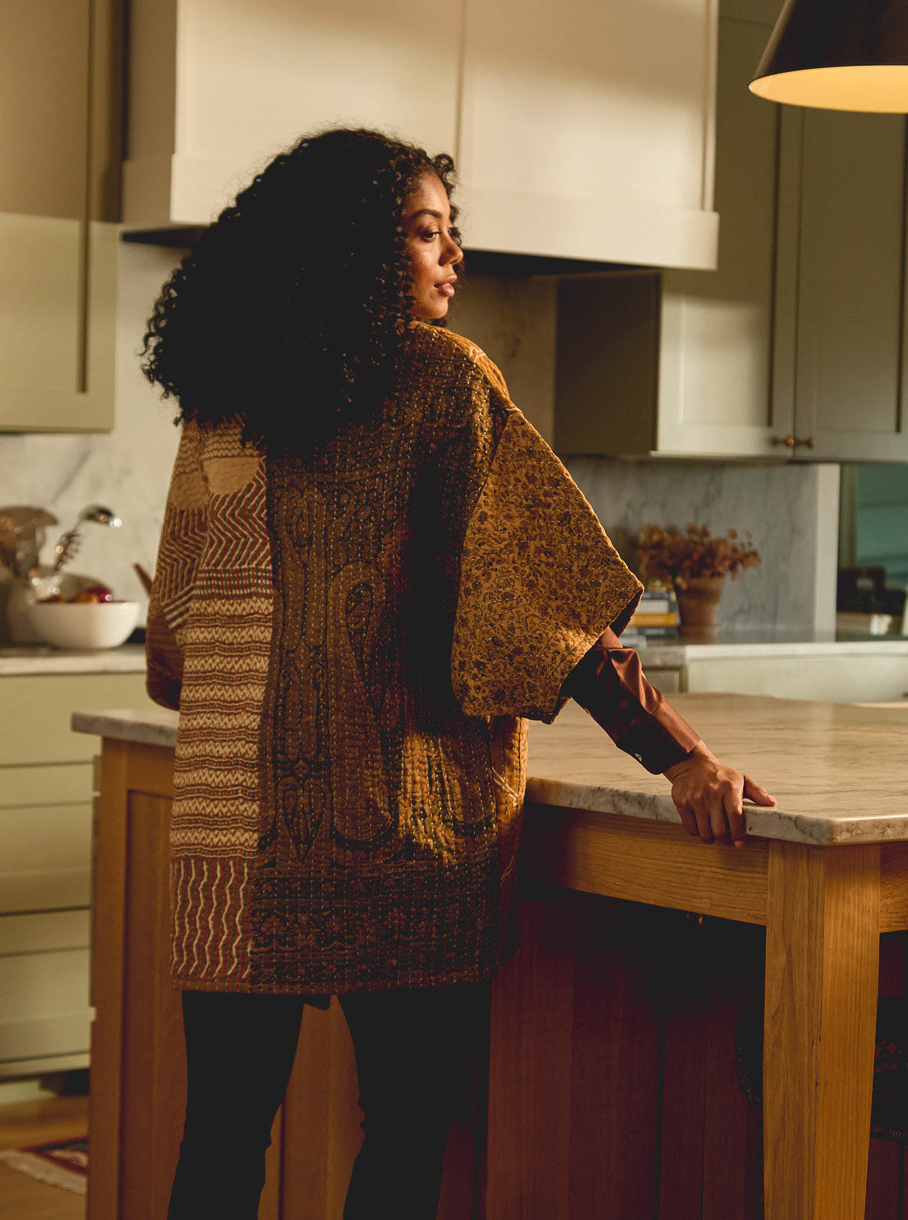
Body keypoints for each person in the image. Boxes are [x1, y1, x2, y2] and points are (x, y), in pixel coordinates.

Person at [142, 127, 775, 1220]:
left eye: (452, 231)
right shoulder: (442, 378)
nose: (453, 256)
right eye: (425, 230)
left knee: (222, 1137)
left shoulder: (221, 401)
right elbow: (544, 600)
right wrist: (676, 755)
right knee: (403, 1134)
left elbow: (174, 651)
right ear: (352, 249)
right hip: (403, 825)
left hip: (228, 828)